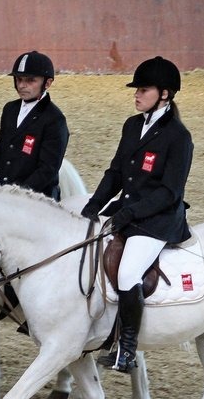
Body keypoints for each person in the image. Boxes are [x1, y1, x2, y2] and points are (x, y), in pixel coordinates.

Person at [80, 56, 193, 373]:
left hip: (157, 219)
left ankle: (126, 350)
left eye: (144, 90)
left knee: (128, 274)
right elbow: (116, 172)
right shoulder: (132, 126)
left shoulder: (178, 137)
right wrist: (93, 206)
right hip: (127, 211)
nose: (136, 95)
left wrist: (130, 212)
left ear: (165, 94)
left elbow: (170, 191)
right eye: (137, 90)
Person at [0, 51, 69, 200]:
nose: (22, 85)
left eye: (30, 80)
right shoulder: (10, 109)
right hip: (5, 187)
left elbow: (47, 170)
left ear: (47, 83)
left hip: (36, 195)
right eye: (19, 79)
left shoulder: (54, 119)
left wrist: (17, 195)